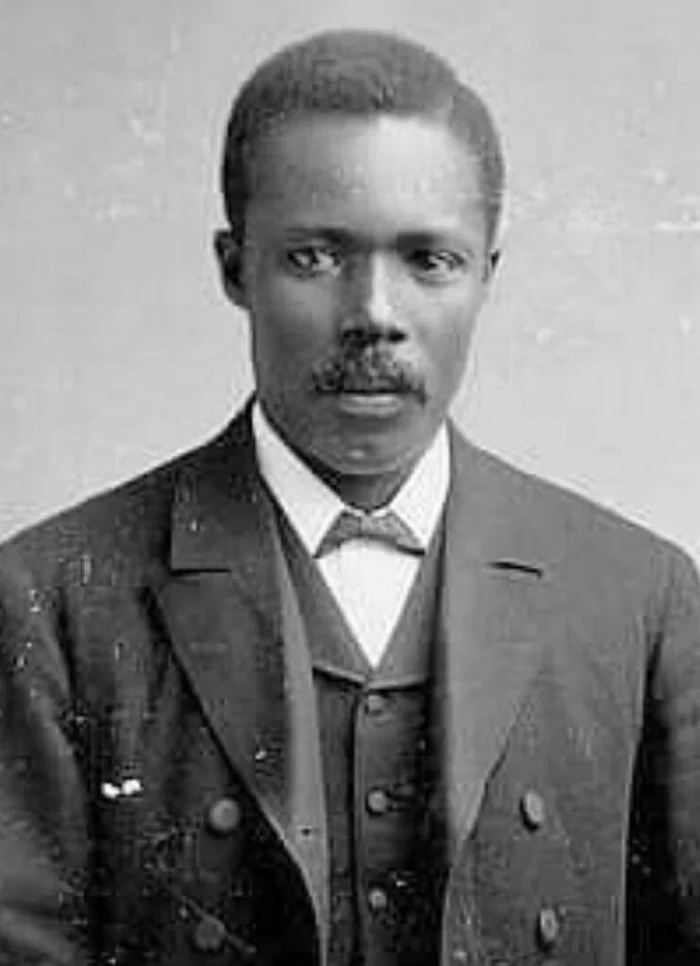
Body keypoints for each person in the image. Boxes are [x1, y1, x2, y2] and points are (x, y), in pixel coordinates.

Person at [0, 28, 699, 966]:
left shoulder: (639, 596)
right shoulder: (53, 599)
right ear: (234, 266)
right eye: (315, 257)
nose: (374, 312)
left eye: (429, 259)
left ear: (487, 274)